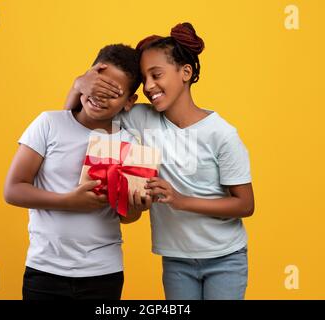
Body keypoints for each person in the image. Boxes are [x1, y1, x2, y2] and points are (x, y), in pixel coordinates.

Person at [65, 23, 255, 300]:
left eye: (157, 75)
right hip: (176, 259)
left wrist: (180, 200)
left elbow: (245, 205)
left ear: (186, 73)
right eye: (144, 79)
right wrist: (79, 83)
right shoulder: (141, 118)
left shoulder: (221, 134)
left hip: (225, 258)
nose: (149, 86)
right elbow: (77, 119)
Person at [4, 44, 152, 300]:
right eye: (98, 86)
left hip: (103, 272)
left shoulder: (129, 143)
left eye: (114, 93)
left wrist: (136, 204)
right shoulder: (49, 124)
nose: (101, 97)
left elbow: (127, 218)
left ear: (129, 102)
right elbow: (13, 190)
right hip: (45, 269)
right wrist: (68, 201)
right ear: (85, 81)